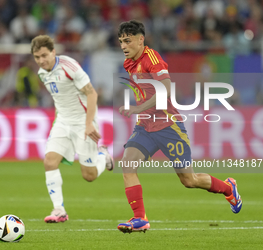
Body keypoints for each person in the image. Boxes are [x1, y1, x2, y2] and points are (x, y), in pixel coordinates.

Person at [117, 20, 242, 233]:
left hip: (169, 127)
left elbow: (165, 90)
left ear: (140, 40)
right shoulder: (129, 63)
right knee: (127, 166)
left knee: (189, 180)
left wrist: (138, 108)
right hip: (146, 127)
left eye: (127, 41)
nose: (123, 46)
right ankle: (140, 219)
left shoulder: (152, 59)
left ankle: (229, 188)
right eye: (120, 41)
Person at [31, 35, 113, 223]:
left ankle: (104, 156)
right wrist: (60, 120)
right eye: (37, 57)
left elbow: (92, 93)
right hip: (63, 122)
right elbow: (61, 98)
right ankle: (59, 210)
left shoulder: (70, 66)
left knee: (89, 175)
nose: (41, 61)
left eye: (44, 55)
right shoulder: (42, 73)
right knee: (49, 162)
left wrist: (88, 123)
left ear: (53, 51)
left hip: (84, 121)